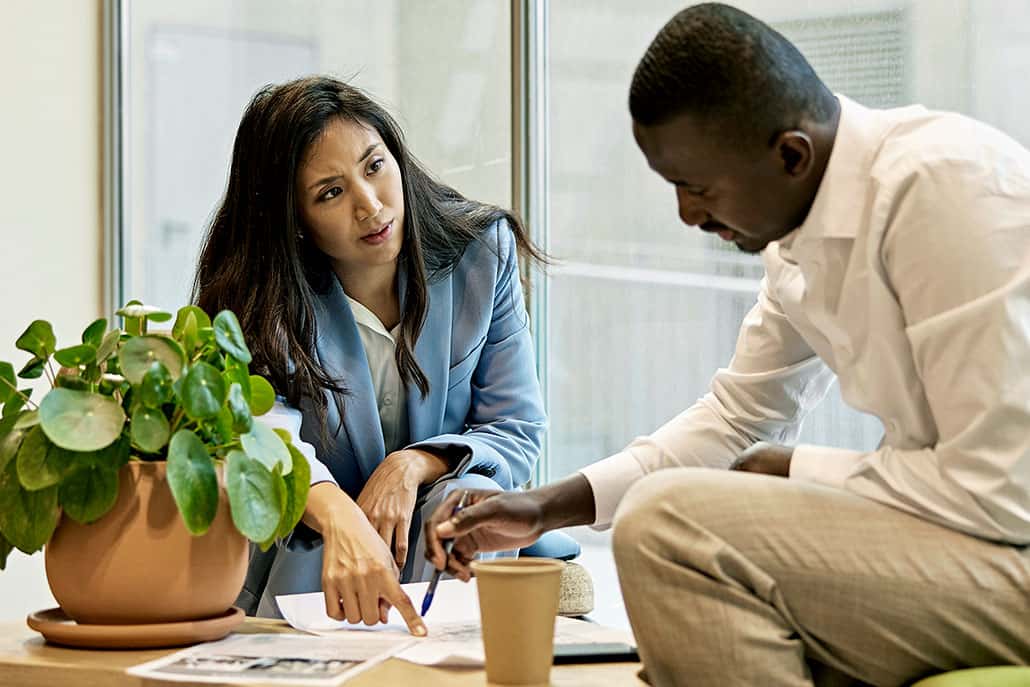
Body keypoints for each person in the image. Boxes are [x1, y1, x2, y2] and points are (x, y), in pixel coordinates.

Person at [424, 3, 1030, 685]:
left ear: (791, 155)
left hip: (1011, 550)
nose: (687, 214)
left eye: (698, 187)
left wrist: (792, 469)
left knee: (673, 531)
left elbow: (1000, 493)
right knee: (688, 606)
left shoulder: (943, 190)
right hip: (970, 544)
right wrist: (543, 505)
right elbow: (736, 418)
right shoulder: (800, 237)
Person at [193, 75, 551, 637]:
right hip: (305, 540)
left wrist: (411, 465)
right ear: (294, 220)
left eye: (375, 166)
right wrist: (338, 514)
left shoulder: (482, 254)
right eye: (330, 192)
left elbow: (516, 427)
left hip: (440, 520)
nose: (370, 204)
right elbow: (257, 432)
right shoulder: (257, 297)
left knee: (468, 498)